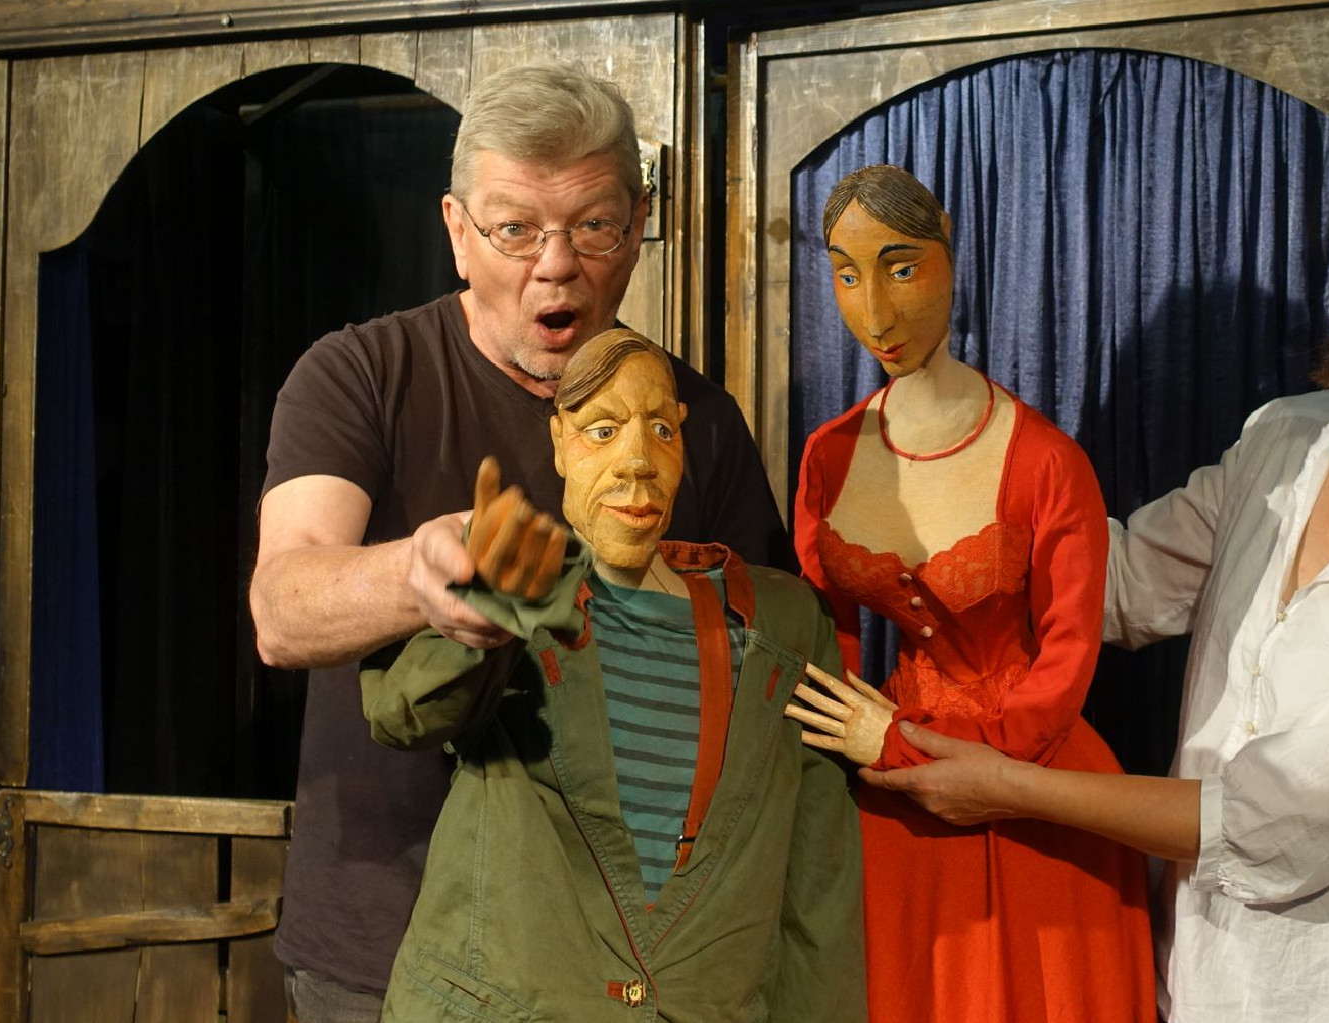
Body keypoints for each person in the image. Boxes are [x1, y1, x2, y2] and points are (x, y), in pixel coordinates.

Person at [811, 131, 1329, 1021]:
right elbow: (1106, 584)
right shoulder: (1285, 438)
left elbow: (1291, 814)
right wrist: (949, 459)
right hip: (1205, 980)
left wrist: (1007, 786)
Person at [248, 65, 789, 1019]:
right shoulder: (361, 374)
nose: (556, 265)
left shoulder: (696, 421)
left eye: (594, 225)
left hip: (618, 975)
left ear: (639, 227)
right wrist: (419, 575)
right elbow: (281, 607)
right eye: (516, 229)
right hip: (380, 951)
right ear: (458, 232)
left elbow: (766, 673)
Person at [360, 329, 865, 1022]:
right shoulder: (522, 584)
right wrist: (488, 604)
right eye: (602, 431)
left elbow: (819, 893)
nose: (637, 462)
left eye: (661, 430)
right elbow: (401, 713)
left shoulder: (783, 624)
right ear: (560, 443)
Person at [783, 164, 1156, 1023]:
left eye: (901, 268)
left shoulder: (1046, 461)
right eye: (847, 275)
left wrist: (900, 747)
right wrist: (861, 754)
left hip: (1037, 793)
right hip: (888, 805)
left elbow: (1061, 673)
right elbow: (824, 647)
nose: (876, 314)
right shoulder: (828, 456)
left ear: (948, 250)